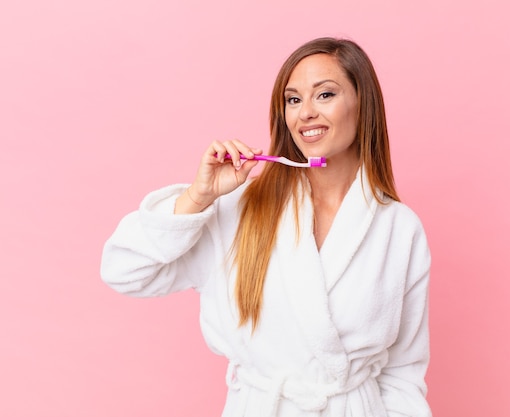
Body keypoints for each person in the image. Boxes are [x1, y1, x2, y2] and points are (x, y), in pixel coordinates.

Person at [101, 37, 432, 417]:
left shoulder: (399, 229)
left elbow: (402, 374)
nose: (305, 112)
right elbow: (124, 271)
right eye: (293, 100)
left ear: (362, 105)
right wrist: (199, 196)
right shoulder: (238, 209)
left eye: (324, 95)